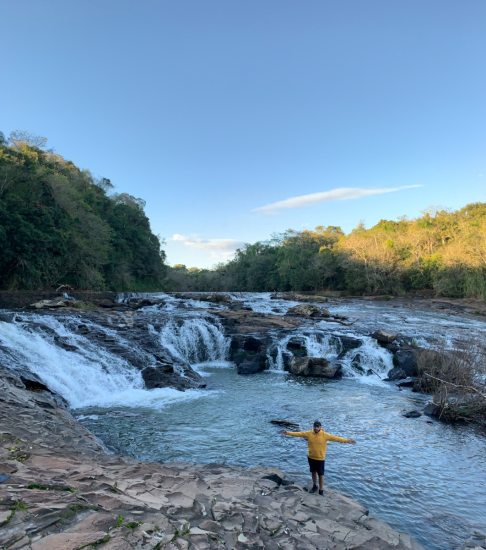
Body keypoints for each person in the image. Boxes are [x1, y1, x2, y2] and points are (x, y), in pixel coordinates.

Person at [282, 420, 356, 496]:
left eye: (318, 427)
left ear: (320, 427)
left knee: (321, 475)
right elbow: (299, 434)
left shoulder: (325, 435)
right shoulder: (309, 433)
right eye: (315, 427)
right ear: (313, 427)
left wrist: (348, 440)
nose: (316, 428)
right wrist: (287, 433)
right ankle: (315, 486)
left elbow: (336, 438)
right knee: (313, 473)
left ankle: (321, 490)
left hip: (320, 459)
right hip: (311, 457)